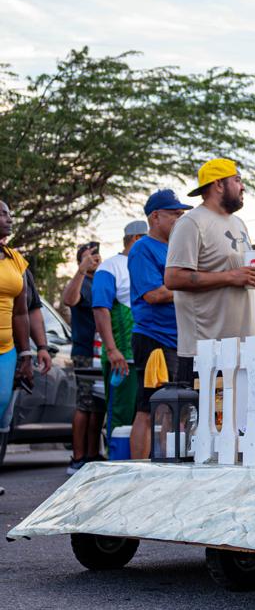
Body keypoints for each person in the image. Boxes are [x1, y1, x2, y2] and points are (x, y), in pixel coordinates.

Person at [165, 159, 255, 375]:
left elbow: (238, 273)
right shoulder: (191, 223)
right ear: (218, 184)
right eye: (237, 180)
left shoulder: (239, 223)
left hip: (242, 349)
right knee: (203, 410)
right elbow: (173, 278)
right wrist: (230, 277)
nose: (243, 186)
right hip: (205, 351)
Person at [129, 190, 191, 458]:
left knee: (175, 409)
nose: (180, 220)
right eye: (175, 215)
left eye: (182, 215)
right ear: (156, 216)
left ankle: (168, 465)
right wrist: (190, 288)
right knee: (147, 408)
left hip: (181, 339)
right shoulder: (143, 247)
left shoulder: (176, 248)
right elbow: (153, 294)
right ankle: (139, 470)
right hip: (153, 338)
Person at [93, 222, 145, 442]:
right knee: (122, 416)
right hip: (123, 358)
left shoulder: (147, 264)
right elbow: (100, 308)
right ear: (135, 239)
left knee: (146, 415)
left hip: (148, 354)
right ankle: (117, 464)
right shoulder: (110, 266)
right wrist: (113, 350)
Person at [61, 241, 102, 473]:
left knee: (98, 406)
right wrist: (81, 270)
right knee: (84, 405)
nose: (94, 258)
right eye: (89, 256)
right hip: (85, 352)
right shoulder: (81, 282)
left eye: (96, 255)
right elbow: (69, 300)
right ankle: (77, 458)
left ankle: (93, 454)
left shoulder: (101, 280)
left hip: (102, 353)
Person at [0, 201, 34, 456]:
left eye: (9, 213)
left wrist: (26, 354)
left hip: (6, 350)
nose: (9, 218)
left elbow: (21, 311)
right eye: (2, 213)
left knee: (2, 407)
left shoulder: (15, 260)